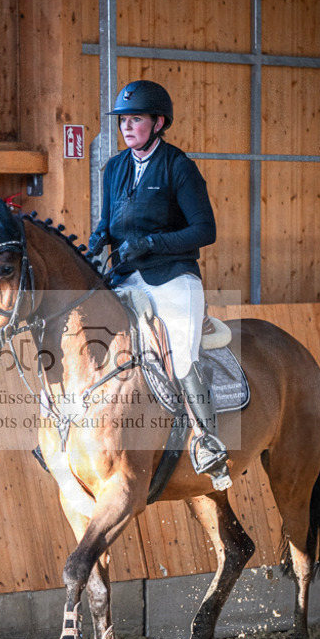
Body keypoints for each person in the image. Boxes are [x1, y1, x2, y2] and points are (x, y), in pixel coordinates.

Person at [88, 79, 231, 490]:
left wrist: (151, 243)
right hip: (124, 274)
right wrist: (98, 240)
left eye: (135, 120)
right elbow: (107, 221)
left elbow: (205, 229)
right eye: (123, 121)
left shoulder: (178, 167)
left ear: (158, 122)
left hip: (172, 278)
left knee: (180, 355)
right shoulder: (113, 168)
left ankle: (208, 440)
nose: (127, 127)